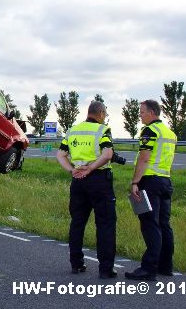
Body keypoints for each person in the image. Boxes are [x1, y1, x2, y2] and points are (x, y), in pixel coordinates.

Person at [56, 101, 117, 279]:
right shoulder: (102, 130)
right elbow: (107, 154)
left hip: (77, 180)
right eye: (104, 114)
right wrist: (90, 168)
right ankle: (106, 269)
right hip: (99, 180)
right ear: (101, 113)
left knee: (77, 222)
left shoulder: (73, 130)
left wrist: (72, 170)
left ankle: (76, 263)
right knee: (105, 223)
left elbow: (60, 154)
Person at [125, 100, 177, 281]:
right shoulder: (170, 133)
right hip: (165, 180)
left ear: (152, 112)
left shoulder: (149, 131)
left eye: (142, 111)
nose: (140, 115)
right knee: (164, 224)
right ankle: (166, 266)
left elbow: (144, 158)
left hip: (150, 181)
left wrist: (135, 182)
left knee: (150, 223)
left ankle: (148, 268)